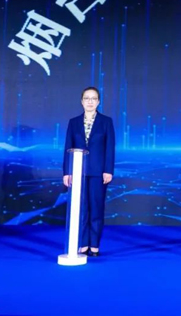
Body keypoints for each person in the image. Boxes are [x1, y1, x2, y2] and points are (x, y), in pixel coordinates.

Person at [63, 87, 115, 257]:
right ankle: (83, 243)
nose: (90, 101)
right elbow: (68, 147)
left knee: (96, 208)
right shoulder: (73, 122)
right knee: (81, 209)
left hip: (98, 172)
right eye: (87, 98)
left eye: (93, 98)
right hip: (78, 171)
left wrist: (108, 170)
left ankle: (94, 245)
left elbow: (110, 148)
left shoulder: (106, 121)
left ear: (98, 102)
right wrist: (67, 172)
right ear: (82, 101)